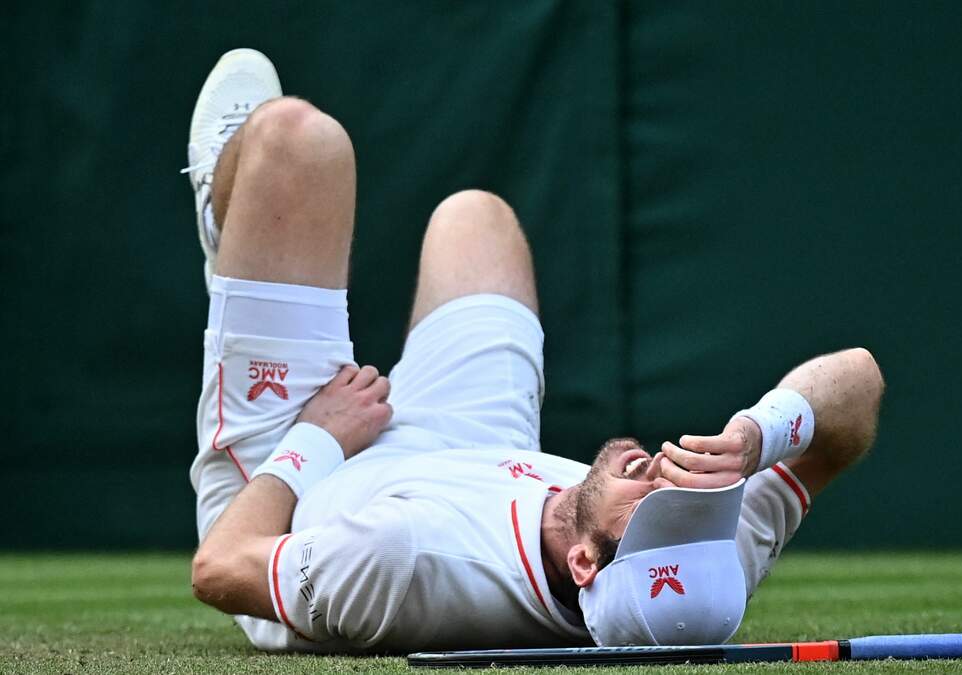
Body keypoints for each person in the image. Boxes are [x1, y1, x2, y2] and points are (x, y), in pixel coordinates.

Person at [184, 49, 884, 653]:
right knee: (478, 220)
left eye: (654, 512)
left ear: (583, 564)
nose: (666, 480)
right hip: (483, 453)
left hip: (299, 489)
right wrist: (760, 433)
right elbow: (858, 384)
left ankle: (230, 226)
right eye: (689, 510)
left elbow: (220, 565)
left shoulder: (405, 558)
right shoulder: (707, 558)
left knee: (296, 140)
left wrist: (316, 439)